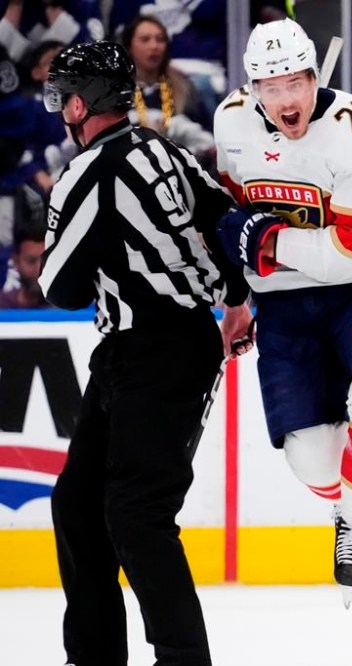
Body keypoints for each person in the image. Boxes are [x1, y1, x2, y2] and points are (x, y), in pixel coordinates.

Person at [38, 40, 251, 666]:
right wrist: (235, 298)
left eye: (63, 98)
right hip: (148, 351)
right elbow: (227, 218)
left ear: (80, 103)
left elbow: (60, 288)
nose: (59, 111)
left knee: (136, 515)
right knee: (78, 505)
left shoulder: (87, 175)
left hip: (154, 355)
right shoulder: (164, 148)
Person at [211, 17, 352, 609]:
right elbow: (235, 225)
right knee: (309, 456)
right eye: (271, 86)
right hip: (282, 300)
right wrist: (237, 300)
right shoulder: (230, 122)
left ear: (315, 76)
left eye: (296, 81)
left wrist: (272, 245)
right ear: (252, 89)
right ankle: (349, 506)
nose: (287, 97)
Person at [122, 15, 215, 158]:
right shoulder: (117, 91)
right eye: (145, 39)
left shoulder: (186, 88)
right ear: (129, 46)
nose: (154, 46)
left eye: (160, 39)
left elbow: (208, 140)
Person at [0, 221, 47, 309]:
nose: (39, 269)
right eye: (31, 261)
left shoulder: (68, 310)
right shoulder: (2, 305)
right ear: (16, 261)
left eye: (45, 262)